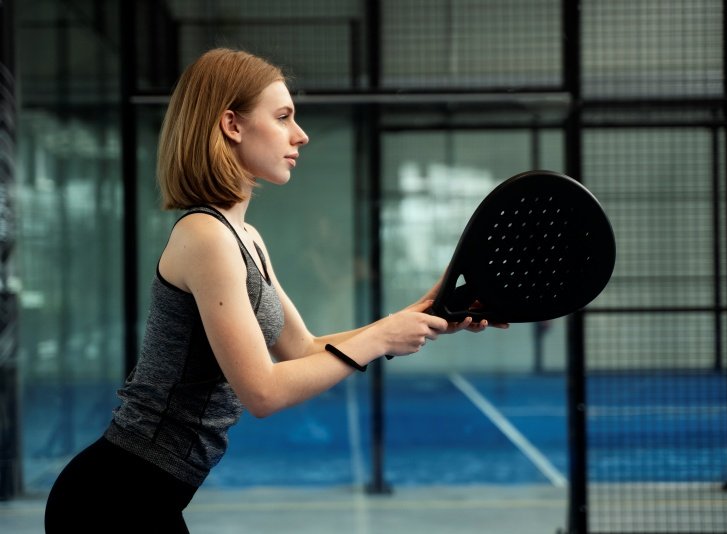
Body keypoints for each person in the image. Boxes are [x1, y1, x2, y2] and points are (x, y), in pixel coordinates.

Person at [44, 48, 501, 533]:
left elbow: (302, 349)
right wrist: (383, 337)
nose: (300, 134)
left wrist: (427, 310)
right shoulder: (206, 237)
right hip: (113, 496)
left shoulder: (245, 237)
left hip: (152, 492)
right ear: (231, 125)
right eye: (283, 117)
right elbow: (262, 392)